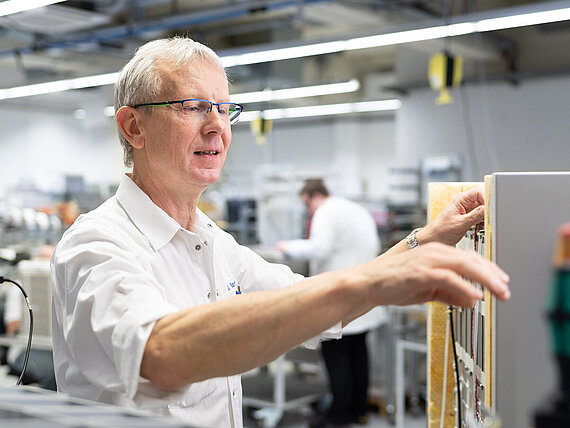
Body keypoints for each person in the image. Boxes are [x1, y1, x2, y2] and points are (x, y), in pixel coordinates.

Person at [50, 36, 510, 428]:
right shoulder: (98, 245)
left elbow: (314, 303)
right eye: (193, 107)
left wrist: (425, 240)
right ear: (134, 126)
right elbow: (161, 354)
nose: (217, 126)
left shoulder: (213, 242)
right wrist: (369, 281)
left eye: (225, 109)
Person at [277, 178, 387, 427]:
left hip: (339, 296)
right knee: (358, 355)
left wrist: (287, 246)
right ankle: (358, 410)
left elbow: (320, 248)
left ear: (315, 196)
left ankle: (338, 416)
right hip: (364, 295)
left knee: (337, 357)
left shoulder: (326, 211)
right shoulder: (356, 210)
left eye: (307, 205)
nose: (308, 212)